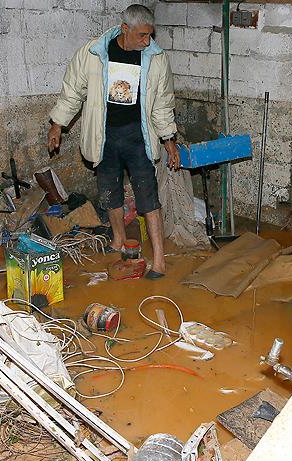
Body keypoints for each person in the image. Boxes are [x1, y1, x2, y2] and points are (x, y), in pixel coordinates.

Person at [46, 4, 179, 280]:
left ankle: (158, 260)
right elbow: (73, 90)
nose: (147, 41)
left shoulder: (156, 59)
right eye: (142, 35)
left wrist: (169, 140)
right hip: (104, 136)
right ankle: (118, 239)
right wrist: (57, 124)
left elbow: (163, 103)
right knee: (110, 192)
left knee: (148, 195)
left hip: (138, 137)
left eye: (150, 36)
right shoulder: (95, 53)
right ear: (125, 30)